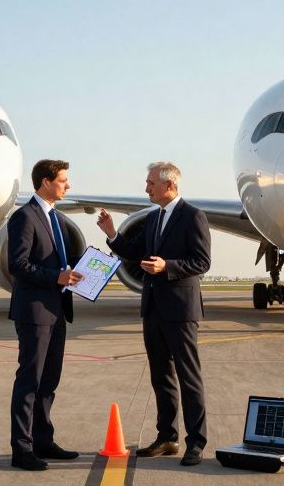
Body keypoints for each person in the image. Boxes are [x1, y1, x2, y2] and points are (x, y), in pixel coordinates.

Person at [97, 161, 211, 466]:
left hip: (180, 310)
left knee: (189, 378)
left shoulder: (192, 217)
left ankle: (196, 443)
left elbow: (202, 262)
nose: (146, 188)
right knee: (161, 377)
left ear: (169, 185)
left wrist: (167, 266)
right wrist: (111, 234)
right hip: (153, 309)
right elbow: (135, 252)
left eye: (150, 183)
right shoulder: (153, 218)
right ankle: (167, 437)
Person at [6, 159, 84, 471]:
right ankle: (21, 449)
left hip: (58, 311)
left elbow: (65, 261)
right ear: (46, 182)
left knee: (49, 381)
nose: (68, 185)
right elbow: (18, 264)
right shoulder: (24, 217)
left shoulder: (58, 219)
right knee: (30, 381)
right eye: (64, 180)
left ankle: (43, 440)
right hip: (35, 312)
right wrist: (56, 277)